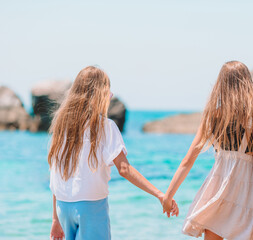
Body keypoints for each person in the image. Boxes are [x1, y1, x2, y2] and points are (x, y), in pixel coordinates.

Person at [48, 66, 178, 240]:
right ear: (100, 96)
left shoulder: (62, 127)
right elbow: (124, 169)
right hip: (92, 207)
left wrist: (55, 219)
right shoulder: (105, 127)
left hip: (63, 207)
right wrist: (160, 194)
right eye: (108, 94)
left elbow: (56, 173)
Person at [162, 61, 253, 240]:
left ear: (220, 85)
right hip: (246, 193)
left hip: (218, 188)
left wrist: (168, 196)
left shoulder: (211, 116)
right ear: (247, 84)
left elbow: (188, 160)